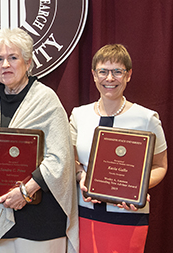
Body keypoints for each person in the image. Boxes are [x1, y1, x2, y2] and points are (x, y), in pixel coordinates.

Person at [0, 28, 79, 253]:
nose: (6, 65)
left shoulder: (46, 99)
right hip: (1, 212)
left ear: (27, 62)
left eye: (13, 58)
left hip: (41, 217)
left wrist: (25, 192)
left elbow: (60, 157)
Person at [71, 44, 168, 252]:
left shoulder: (147, 118)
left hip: (128, 214)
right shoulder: (79, 115)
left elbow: (160, 165)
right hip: (84, 211)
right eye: (103, 71)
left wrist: (136, 189)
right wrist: (81, 176)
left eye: (117, 71)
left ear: (128, 75)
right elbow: (72, 160)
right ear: (94, 75)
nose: (110, 78)